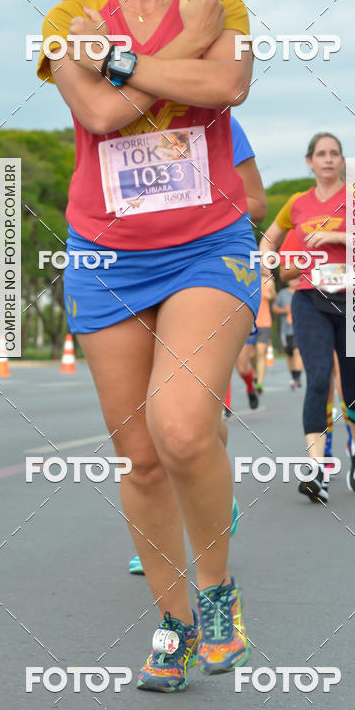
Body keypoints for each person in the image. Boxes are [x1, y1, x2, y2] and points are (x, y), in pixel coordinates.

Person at [36, 0, 259, 692]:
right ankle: (169, 619)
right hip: (107, 255)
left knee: (184, 427)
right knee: (143, 458)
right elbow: (92, 111)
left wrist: (131, 59)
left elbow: (228, 86)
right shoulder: (67, 17)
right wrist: (178, 63)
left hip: (208, 245)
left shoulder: (219, 5)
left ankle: (215, 590)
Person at [129, 114, 266, 575]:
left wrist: (189, 193)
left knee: (185, 425)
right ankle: (163, 531)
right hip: (127, 267)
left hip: (200, 267)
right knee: (148, 427)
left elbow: (258, 202)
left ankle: (207, 498)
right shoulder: (107, 111)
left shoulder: (218, 120)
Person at [258, 132, 355, 502]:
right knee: (317, 380)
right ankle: (316, 470)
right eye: (321, 154)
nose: (329, 159)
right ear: (310, 162)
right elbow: (269, 238)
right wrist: (267, 268)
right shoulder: (297, 204)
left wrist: (343, 238)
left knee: (353, 394)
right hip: (309, 298)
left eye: (335, 153)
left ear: (342, 161)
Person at [272, 277, 302, 390]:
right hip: (286, 330)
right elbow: (274, 308)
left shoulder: (302, 293)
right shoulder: (282, 294)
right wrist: (285, 310)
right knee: (289, 354)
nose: (294, 281)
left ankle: (298, 377)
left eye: (296, 279)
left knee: (297, 351)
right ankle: (294, 377)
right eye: (292, 279)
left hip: (300, 328)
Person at [254, 277, 275, 395]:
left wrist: (272, 289)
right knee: (251, 354)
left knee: (261, 351)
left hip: (265, 322)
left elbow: (273, 298)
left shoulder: (268, 280)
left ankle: (260, 382)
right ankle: (256, 374)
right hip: (251, 321)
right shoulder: (248, 275)